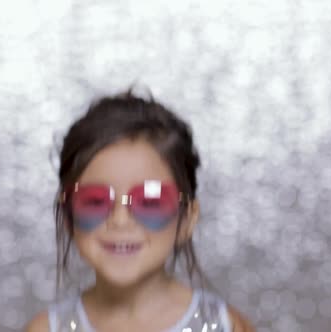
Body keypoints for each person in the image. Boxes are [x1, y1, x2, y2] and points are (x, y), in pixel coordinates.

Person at [27, 88, 254, 332]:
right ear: (68, 216)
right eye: (95, 201)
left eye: (149, 202)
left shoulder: (226, 326)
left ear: (187, 219)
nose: (120, 220)